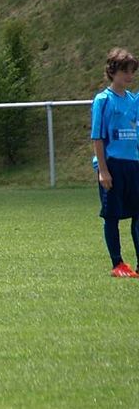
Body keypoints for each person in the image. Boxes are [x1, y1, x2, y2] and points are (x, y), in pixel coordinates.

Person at [91, 48, 139, 278]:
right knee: (112, 216)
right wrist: (103, 170)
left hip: (133, 165)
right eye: (125, 71)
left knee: (138, 214)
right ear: (112, 72)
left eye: (132, 71)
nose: (130, 76)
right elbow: (97, 137)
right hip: (112, 164)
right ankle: (117, 263)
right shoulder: (103, 100)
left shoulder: (134, 101)